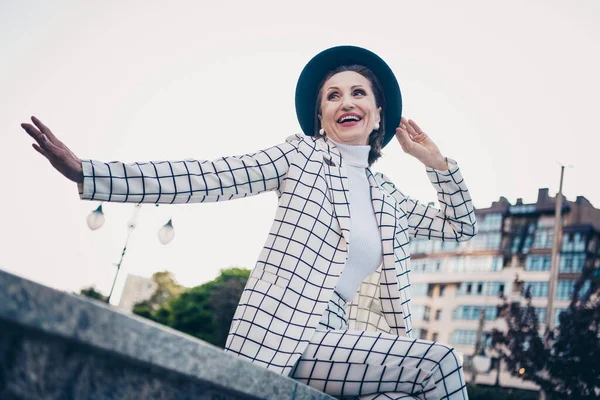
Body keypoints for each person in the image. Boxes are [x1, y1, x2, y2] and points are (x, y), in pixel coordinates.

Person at [20, 45, 477, 399]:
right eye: (333, 95)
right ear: (320, 117)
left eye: (359, 93)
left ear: (379, 114)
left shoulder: (388, 199)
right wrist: (89, 172)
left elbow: (461, 228)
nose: (346, 101)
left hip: (342, 341)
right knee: (438, 363)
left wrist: (436, 164)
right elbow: (207, 176)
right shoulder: (301, 158)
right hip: (284, 335)